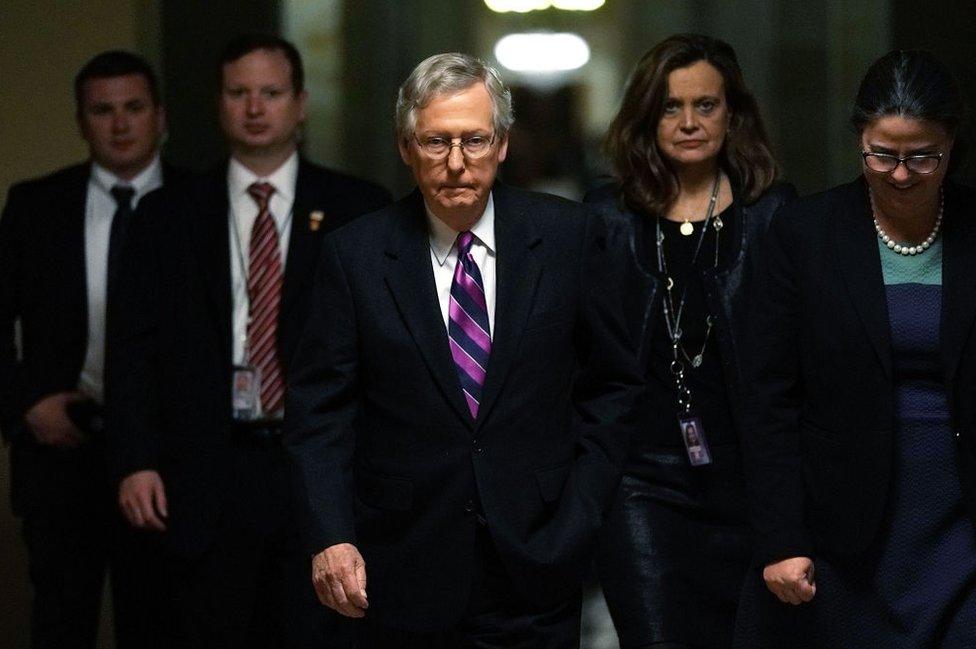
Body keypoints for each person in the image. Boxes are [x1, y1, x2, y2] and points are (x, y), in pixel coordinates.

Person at [284, 52, 643, 648]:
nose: (456, 163)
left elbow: (614, 384)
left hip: (537, 558)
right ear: (406, 147)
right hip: (401, 562)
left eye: (474, 140)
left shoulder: (567, 237)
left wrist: (581, 510)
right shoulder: (357, 255)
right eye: (435, 142)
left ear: (502, 144)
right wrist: (330, 534)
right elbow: (319, 411)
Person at [105, 34, 391, 648]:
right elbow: (132, 350)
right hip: (202, 466)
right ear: (217, 104)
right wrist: (136, 459)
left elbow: (386, 355)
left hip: (318, 471)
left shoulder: (358, 209)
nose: (255, 108)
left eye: (270, 92)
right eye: (239, 93)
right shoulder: (166, 214)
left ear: (301, 103)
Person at [735, 50, 976, 648]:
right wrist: (780, 538)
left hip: (962, 512)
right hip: (847, 519)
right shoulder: (805, 234)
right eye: (882, 153)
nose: (900, 173)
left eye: (922, 155)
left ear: (951, 144)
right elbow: (767, 400)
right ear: (858, 141)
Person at [584, 34, 796, 648]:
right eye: (670, 107)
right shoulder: (609, 217)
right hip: (643, 485)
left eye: (705, 105)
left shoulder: (773, 213)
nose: (688, 123)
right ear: (647, 118)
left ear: (733, 114)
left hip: (749, 482)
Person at [0, 51, 185, 649]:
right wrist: (26, 404)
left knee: (161, 621)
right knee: (62, 618)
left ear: (160, 116)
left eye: (133, 108)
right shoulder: (35, 205)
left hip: (169, 456)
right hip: (62, 451)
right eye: (102, 111)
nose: (120, 124)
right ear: (81, 121)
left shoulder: (199, 203)